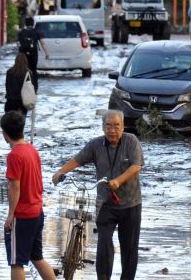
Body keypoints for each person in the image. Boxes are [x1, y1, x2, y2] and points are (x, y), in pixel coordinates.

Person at [52, 110, 144, 280]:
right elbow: (78, 159)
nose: (112, 130)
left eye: (116, 126)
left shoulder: (131, 141)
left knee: (129, 248)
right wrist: (60, 172)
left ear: (123, 127)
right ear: (103, 127)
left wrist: (118, 180)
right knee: (104, 242)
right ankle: (103, 277)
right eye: (108, 125)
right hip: (105, 203)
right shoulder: (96, 145)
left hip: (130, 203)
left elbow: (136, 166)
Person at [1, 111, 55, 280]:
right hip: (37, 212)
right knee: (36, 257)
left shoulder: (14, 156)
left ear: (4, 134)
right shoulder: (32, 149)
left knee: (16, 262)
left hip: (23, 216)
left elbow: (14, 187)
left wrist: (11, 215)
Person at [17, 17, 49, 92]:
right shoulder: (37, 32)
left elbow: (18, 44)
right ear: (33, 23)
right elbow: (42, 43)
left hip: (23, 55)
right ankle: (34, 88)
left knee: (22, 70)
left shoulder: (21, 32)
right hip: (33, 54)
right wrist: (47, 53)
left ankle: (23, 88)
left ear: (25, 23)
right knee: (33, 70)